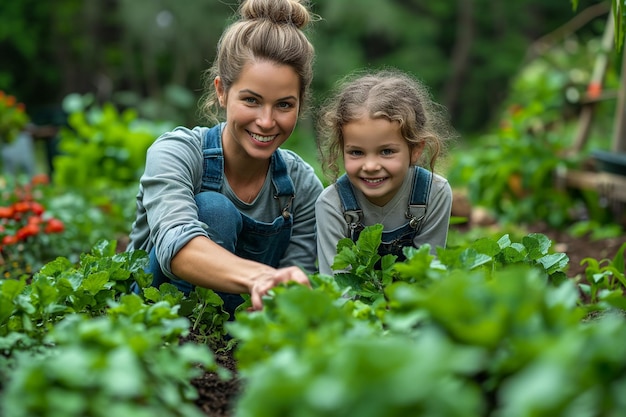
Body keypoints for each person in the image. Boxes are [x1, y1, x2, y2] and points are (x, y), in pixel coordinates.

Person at [126, 0, 323, 315]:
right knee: (214, 210)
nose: (267, 121)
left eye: (284, 105)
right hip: (158, 313)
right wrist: (262, 277)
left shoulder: (301, 185)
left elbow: (297, 277)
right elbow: (176, 247)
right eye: (251, 100)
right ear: (222, 91)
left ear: (301, 103)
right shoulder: (176, 153)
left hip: (242, 325)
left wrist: (282, 297)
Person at [315, 68, 456, 276]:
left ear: (415, 149)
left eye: (386, 151)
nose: (370, 166)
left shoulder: (434, 193)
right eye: (356, 152)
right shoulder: (332, 204)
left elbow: (428, 277)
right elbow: (337, 289)